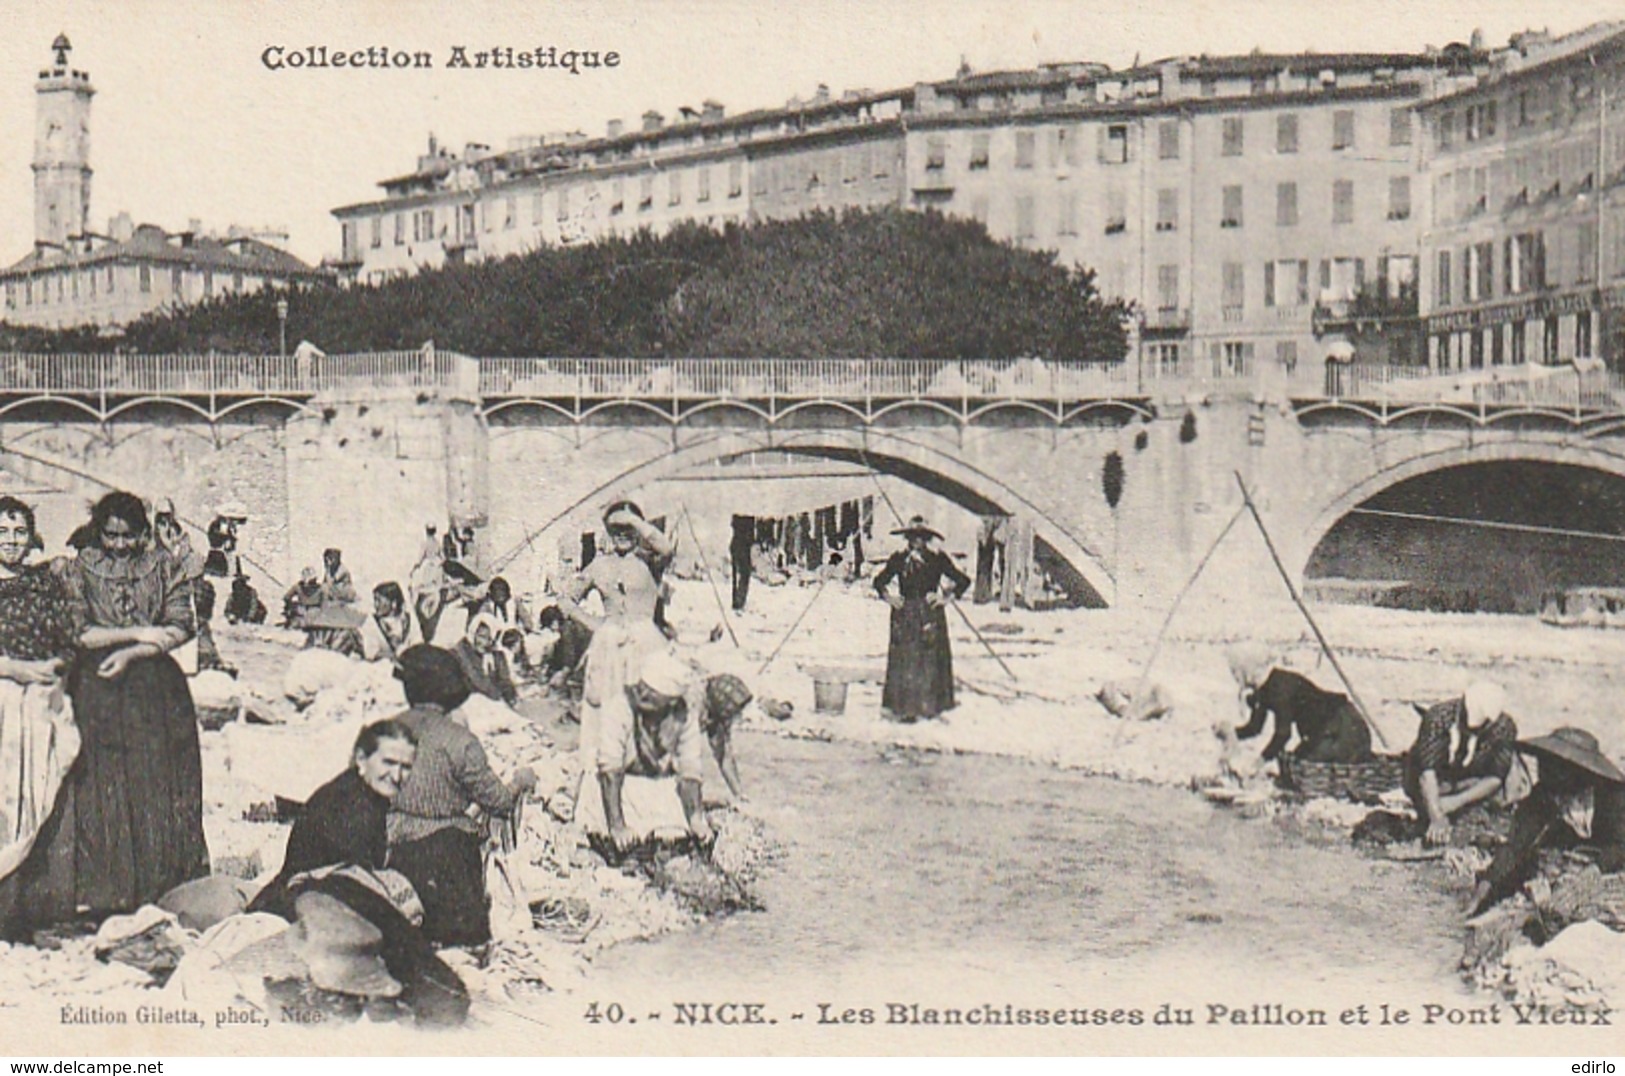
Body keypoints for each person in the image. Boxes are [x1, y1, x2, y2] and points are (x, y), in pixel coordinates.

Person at [247, 719, 470, 1027]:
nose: (397, 775)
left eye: (406, 766)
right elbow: (352, 879)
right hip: (310, 898)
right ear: (362, 759)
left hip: (328, 890)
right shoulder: (349, 801)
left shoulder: (361, 793)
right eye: (388, 762)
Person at [56, 492, 208, 918]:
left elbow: (181, 625)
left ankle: (162, 885)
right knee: (104, 785)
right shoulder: (80, 567)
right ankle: (109, 891)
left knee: (157, 781)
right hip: (98, 689)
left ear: (143, 533)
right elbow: (79, 631)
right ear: (98, 531)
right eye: (111, 536)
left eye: (129, 537)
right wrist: (141, 635)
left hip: (155, 691)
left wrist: (133, 652)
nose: (120, 545)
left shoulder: (163, 565)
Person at [386, 646, 535, 947]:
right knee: (467, 945)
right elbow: (500, 802)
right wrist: (520, 782)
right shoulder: (460, 742)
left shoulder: (383, 733)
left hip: (391, 852)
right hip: (445, 860)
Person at [0, 496, 82, 940]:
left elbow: (66, 635)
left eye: (18, 533)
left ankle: (24, 910)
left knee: (38, 794)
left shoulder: (44, 583)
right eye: (2, 532)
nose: (11, 541)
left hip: (42, 699)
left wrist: (53, 667)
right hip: (2, 699)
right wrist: (14, 670)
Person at [559, 501, 674, 806]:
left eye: (628, 529)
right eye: (616, 529)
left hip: (646, 645)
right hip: (609, 649)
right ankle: (605, 801)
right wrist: (597, 625)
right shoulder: (598, 565)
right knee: (607, 719)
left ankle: (652, 801)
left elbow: (666, 548)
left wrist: (634, 521)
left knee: (648, 720)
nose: (622, 535)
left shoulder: (649, 561)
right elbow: (565, 600)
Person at [1469, 727, 1625, 915]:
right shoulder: (1544, 794)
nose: (1544, 771)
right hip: (1578, 855)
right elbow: (1515, 845)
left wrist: (1589, 876)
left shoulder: (1614, 796)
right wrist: (1483, 890)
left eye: (1555, 767)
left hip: (1609, 861)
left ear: (1577, 771)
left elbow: (1620, 845)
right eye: (1544, 763)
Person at [579, 649, 715, 856]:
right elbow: (610, 769)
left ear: (669, 702)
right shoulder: (619, 706)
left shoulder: (684, 716)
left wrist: (696, 818)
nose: (643, 697)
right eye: (643, 690)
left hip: (656, 786)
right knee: (618, 841)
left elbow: (690, 770)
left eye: (651, 697)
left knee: (676, 838)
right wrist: (617, 825)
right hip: (618, 788)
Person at [873, 515, 971, 722]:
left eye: (921, 537)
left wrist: (945, 598)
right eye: (912, 537)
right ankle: (903, 708)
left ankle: (930, 707)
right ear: (907, 538)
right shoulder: (898, 559)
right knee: (905, 661)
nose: (916, 541)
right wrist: (890, 598)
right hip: (905, 613)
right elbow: (879, 581)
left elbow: (963, 581)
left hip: (929, 614)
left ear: (927, 539)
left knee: (928, 661)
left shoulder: (937, 559)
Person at [1406, 681, 1520, 847]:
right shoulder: (1438, 718)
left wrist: (1455, 802)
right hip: (1438, 780)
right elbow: (1427, 773)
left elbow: (1495, 777)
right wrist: (1436, 815)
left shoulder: (1503, 727)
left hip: (1471, 783)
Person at [1226, 645, 1372, 765]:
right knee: (1294, 765)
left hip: (1342, 728)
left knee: (1307, 768)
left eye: (1235, 671)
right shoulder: (1262, 689)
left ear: (1248, 669)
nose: (1234, 676)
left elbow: (1283, 734)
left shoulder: (1279, 688)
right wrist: (1229, 733)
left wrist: (1260, 761)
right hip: (1321, 732)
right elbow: (1255, 727)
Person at [451, 611, 519, 707]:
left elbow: (505, 680)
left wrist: (510, 696)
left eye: (490, 639)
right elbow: (477, 680)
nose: (486, 642)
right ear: (473, 633)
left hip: (492, 704)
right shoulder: (461, 651)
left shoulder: (496, 655)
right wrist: (497, 696)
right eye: (482, 636)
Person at [703, 673, 752, 802]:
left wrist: (739, 794)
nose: (739, 715)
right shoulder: (692, 707)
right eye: (735, 710)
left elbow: (724, 756)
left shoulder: (717, 714)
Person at [360, 582, 420, 664]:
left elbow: (418, 643)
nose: (375, 605)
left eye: (379, 600)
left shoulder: (408, 620)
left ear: (393, 604)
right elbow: (371, 653)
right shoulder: (371, 622)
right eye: (375, 600)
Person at [729, 514, 754, 613]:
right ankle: (739, 601)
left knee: (736, 574)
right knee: (744, 573)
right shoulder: (749, 515)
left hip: (736, 544)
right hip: (743, 547)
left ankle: (736, 600)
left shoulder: (738, 514)